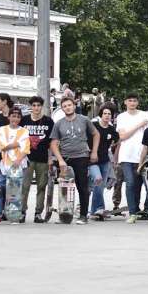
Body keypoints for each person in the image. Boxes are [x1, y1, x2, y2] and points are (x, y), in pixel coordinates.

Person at [50, 96, 100, 224]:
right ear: (62, 109)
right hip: (65, 159)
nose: (67, 107)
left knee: (82, 187)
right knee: (65, 189)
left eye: (69, 105)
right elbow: (54, 144)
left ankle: (83, 215)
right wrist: (60, 160)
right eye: (64, 106)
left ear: (74, 105)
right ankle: (65, 216)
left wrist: (94, 151)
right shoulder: (59, 123)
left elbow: (96, 134)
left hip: (82, 157)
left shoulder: (84, 120)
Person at [0, 106, 30, 224]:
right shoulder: (2, 129)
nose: (15, 119)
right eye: (13, 116)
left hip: (19, 165)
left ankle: (14, 215)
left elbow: (26, 148)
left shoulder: (24, 131)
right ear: (9, 117)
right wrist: (17, 143)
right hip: (5, 165)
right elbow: (2, 146)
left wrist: (18, 159)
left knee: (15, 191)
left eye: (18, 117)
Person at [116, 94, 148, 223]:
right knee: (130, 183)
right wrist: (139, 125)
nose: (132, 103)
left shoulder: (145, 115)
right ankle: (132, 213)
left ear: (138, 102)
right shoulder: (121, 117)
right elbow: (123, 136)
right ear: (125, 102)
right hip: (126, 156)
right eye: (129, 100)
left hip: (142, 156)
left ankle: (146, 210)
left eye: (134, 101)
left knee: (144, 184)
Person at [19, 96, 55, 222]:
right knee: (24, 186)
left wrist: (51, 158)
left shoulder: (48, 121)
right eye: (33, 105)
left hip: (43, 158)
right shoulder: (24, 121)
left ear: (42, 106)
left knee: (41, 186)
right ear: (30, 107)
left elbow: (52, 142)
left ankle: (38, 213)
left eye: (38, 105)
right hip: (27, 158)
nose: (36, 108)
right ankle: (22, 212)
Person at [89, 105, 118, 220]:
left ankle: (94, 211)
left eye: (109, 114)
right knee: (98, 180)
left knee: (100, 186)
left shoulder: (112, 129)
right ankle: (99, 207)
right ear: (101, 114)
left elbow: (118, 140)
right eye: (105, 113)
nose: (107, 115)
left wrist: (114, 155)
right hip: (92, 160)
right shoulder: (94, 126)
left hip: (105, 160)